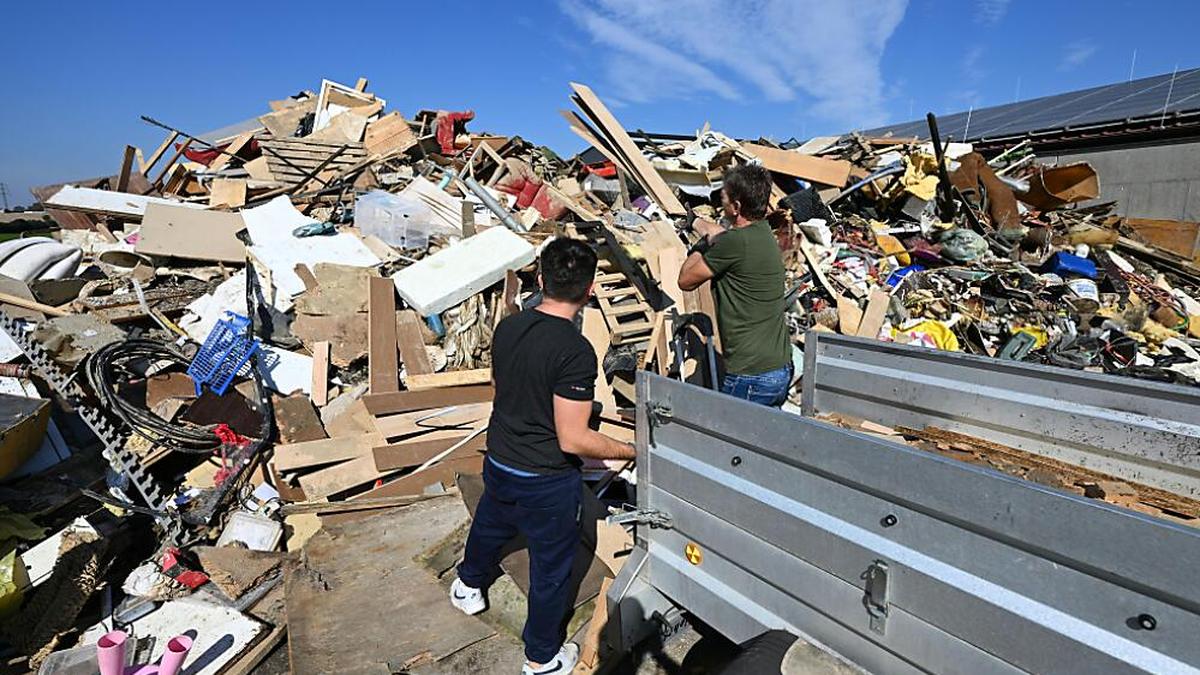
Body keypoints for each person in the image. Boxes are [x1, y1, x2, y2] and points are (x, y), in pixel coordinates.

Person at [450, 238, 637, 675]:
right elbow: (573, 439)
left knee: (492, 524)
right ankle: (540, 659)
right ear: (590, 290)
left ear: (540, 278)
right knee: (552, 569)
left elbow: (509, 389)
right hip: (545, 480)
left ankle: (468, 585)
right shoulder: (574, 351)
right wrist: (630, 450)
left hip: (500, 458)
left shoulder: (510, 326)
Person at [677, 163, 793, 406]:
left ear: (736, 207)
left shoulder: (734, 244)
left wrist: (700, 248)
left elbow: (685, 280)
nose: (721, 204)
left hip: (751, 377)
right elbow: (719, 232)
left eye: (723, 199)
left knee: (726, 442)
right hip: (778, 369)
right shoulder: (761, 233)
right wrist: (693, 222)